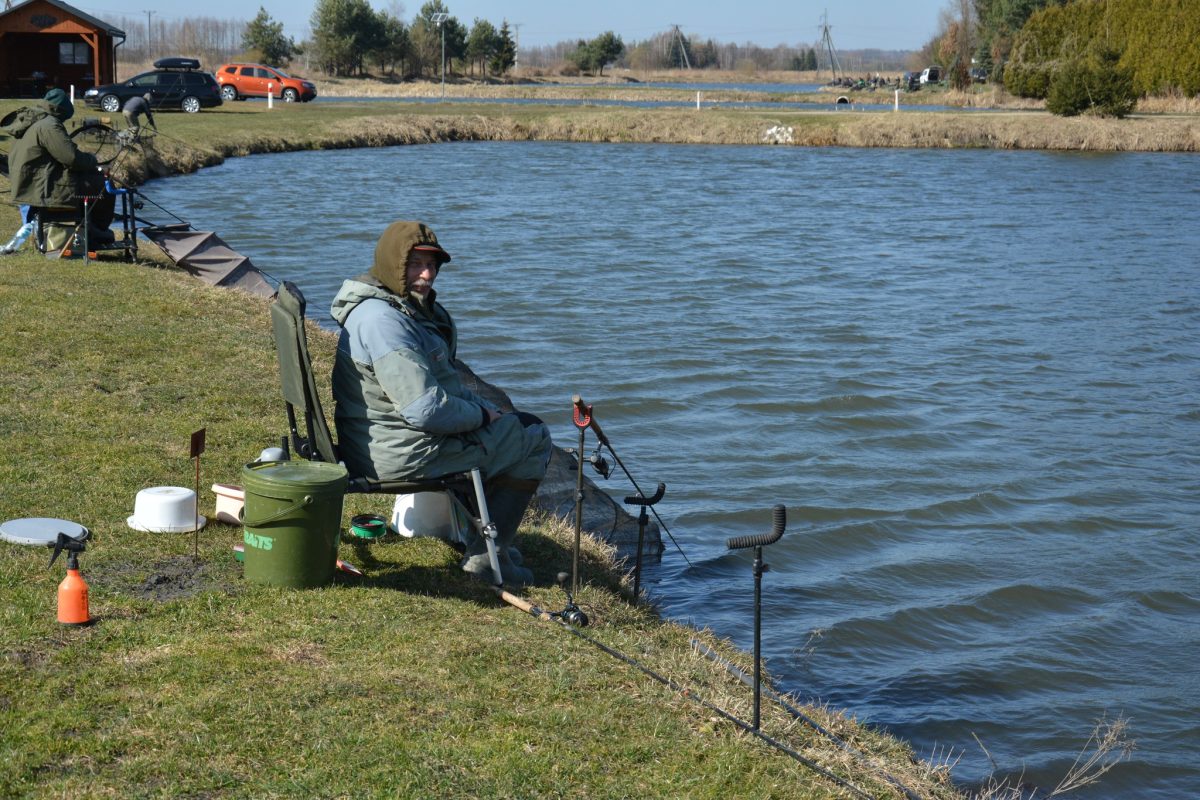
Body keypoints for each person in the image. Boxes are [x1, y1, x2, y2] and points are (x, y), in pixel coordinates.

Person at [330, 221, 553, 585]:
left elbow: (435, 387)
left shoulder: (390, 308)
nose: (427, 274)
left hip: (383, 442)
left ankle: (488, 538)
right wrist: (481, 414)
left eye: (432, 266)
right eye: (415, 264)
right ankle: (486, 557)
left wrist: (485, 414)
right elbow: (424, 408)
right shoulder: (385, 322)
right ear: (392, 264)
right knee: (534, 437)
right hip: (403, 454)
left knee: (515, 422)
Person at [5, 88, 113, 252]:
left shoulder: (34, 121)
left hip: (30, 183)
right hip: (41, 185)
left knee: (93, 181)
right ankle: (98, 232)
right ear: (61, 111)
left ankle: (88, 227)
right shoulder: (50, 125)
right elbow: (71, 158)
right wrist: (92, 159)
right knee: (104, 185)